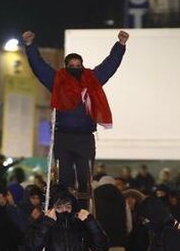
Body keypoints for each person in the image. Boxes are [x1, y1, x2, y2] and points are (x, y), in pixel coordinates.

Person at [23, 29, 128, 199]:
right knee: (64, 179)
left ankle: (84, 211)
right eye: (71, 66)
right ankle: (64, 209)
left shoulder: (92, 79)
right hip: (63, 137)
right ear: (66, 67)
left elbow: (109, 66)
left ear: (83, 65)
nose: (75, 69)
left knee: (85, 179)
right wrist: (30, 45)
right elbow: (39, 66)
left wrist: (120, 45)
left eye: (78, 66)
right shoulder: (57, 80)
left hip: (85, 138)